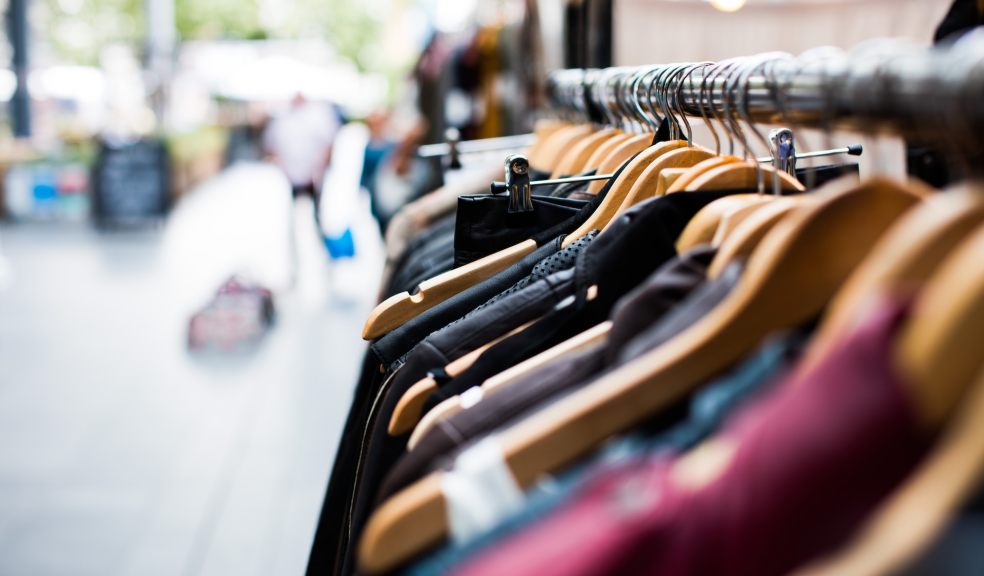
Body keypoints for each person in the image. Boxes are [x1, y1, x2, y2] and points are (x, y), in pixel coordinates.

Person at [263, 92, 341, 227]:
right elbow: (270, 146)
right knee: (294, 216)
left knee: (315, 216)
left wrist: (319, 169)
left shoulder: (317, 117)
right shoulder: (283, 119)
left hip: (313, 177)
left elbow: (329, 144)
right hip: (291, 176)